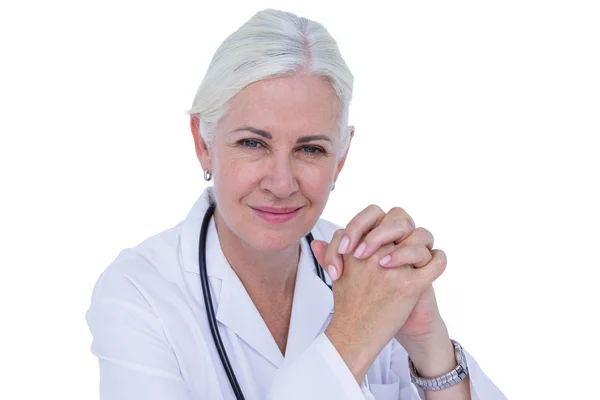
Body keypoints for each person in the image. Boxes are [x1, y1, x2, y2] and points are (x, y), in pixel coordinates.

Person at [85, 8, 506, 400]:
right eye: (253, 143)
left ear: (340, 157)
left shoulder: (371, 273)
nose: (282, 183)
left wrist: (429, 345)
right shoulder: (138, 295)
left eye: (310, 150)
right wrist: (352, 336)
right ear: (202, 143)